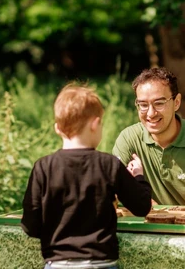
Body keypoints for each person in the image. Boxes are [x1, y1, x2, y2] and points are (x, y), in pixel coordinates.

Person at [21, 84, 152, 269]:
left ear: (57, 128)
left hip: (57, 264)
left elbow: (30, 225)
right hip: (102, 263)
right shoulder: (109, 165)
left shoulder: (43, 167)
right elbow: (142, 207)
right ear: (95, 124)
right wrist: (139, 176)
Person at [112, 67, 185, 206]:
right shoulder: (128, 139)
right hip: (146, 226)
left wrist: (164, 215)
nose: (151, 113)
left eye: (159, 103)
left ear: (176, 102)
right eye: (143, 105)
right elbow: (114, 193)